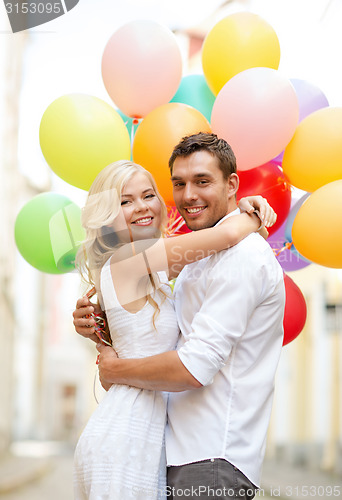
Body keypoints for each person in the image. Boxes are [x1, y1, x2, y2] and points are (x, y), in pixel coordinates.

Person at [73, 133, 284, 499]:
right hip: (138, 438)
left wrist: (114, 366)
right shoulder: (139, 262)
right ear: (108, 216)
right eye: (125, 201)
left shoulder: (180, 266)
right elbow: (226, 234)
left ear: (230, 184)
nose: (188, 195)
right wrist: (249, 217)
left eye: (148, 195)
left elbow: (188, 366)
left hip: (207, 455)